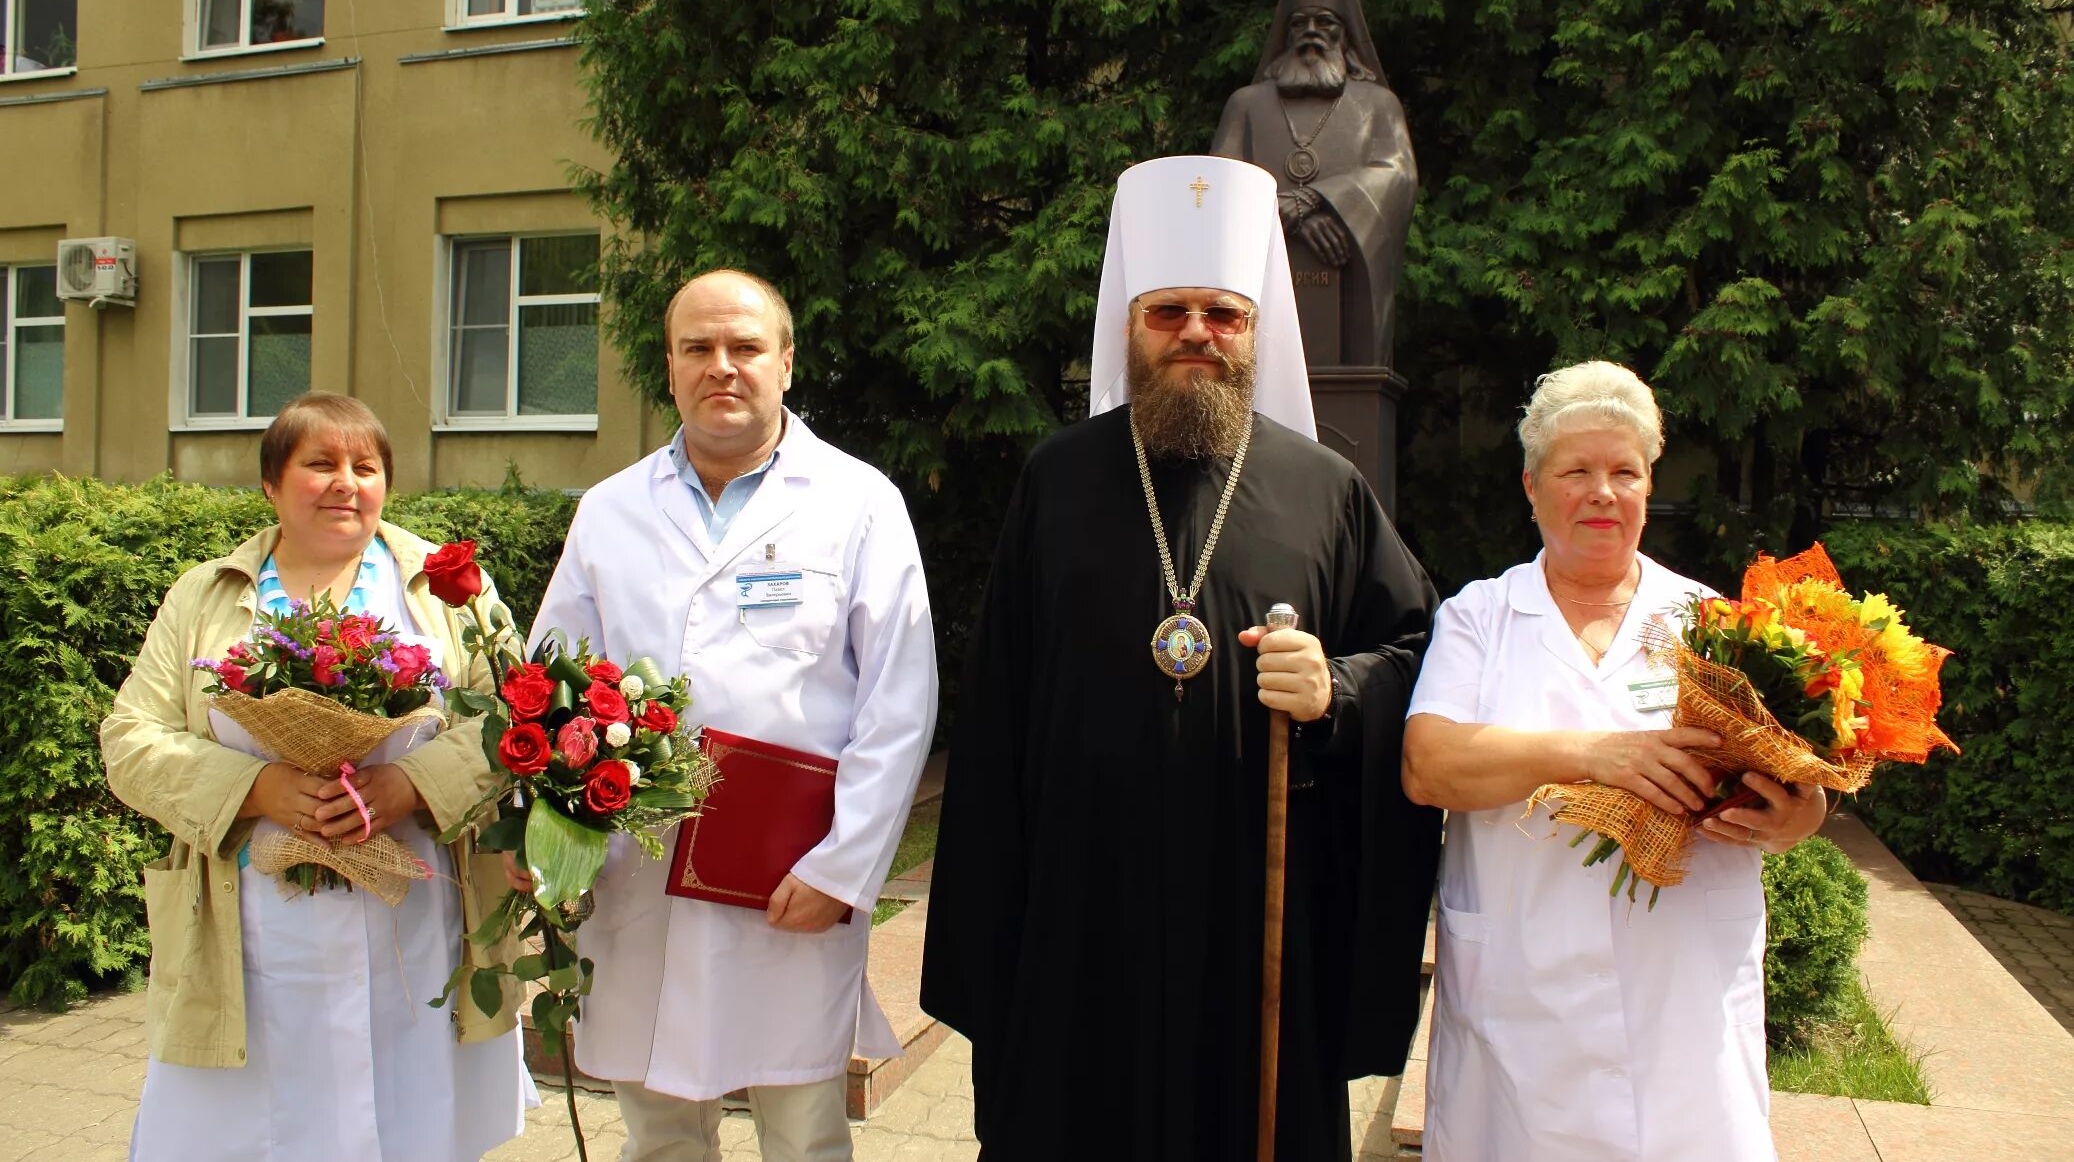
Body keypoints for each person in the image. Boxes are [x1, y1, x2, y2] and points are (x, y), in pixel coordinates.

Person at [921, 155, 1440, 1161]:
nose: (1196, 332)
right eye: (1169, 313)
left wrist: (1337, 684)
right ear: (1132, 323)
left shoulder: (1324, 489)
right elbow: (997, 711)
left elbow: (1419, 647)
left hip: (1259, 908)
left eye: (1221, 312)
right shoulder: (1057, 478)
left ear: (1252, 330)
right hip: (1082, 904)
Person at [521, 268, 938, 1161]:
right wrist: (548, 845)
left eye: (745, 347)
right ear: (668, 369)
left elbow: (899, 701)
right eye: (697, 348)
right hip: (640, 870)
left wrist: (846, 866)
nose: (723, 367)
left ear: (785, 363)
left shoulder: (859, 502)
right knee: (659, 1128)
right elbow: (548, 685)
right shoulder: (610, 510)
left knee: (803, 1130)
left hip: (789, 876)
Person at [1401, 361, 1831, 1162]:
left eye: (1623, 472)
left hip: (1684, 998)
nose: (1602, 492)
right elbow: (1430, 765)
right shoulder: (1481, 617)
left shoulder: (1717, 624)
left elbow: (1801, 800)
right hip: (1525, 1001)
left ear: (1646, 486)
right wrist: (1595, 755)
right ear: (1532, 488)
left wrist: (1791, 815)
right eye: (1577, 471)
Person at [100, 392, 531, 1161]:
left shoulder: (446, 590)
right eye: (320, 464)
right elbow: (130, 739)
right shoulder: (206, 595)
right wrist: (256, 790)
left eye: (365, 467)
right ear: (271, 484)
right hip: (253, 920)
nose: (346, 483)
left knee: (408, 1115)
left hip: (416, 905)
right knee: (259, 1119)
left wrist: (413, 786)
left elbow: (512, 719)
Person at [1210, 0, 1418, 367]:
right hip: (1260, 295)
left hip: (1346, 294)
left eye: (1325, 24)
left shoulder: (1378, 105)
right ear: (1284, 34)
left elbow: (1398, 174)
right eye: (1299, 24)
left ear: (1346, 35)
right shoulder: (1247, 105)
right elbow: (1220, 185)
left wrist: (1315, 200)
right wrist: (1285, 213)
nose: (1311, 34)